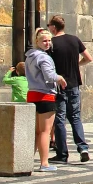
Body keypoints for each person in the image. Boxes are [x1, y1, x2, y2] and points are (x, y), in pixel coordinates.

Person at [48, 15, 92, 164]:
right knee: (75, 117)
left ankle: (62, 154)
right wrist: (77, 64)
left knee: (60, 119)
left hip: (59, 85)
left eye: (49, 25)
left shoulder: (52, 43)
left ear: (54, 27)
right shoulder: (74, 39)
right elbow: (88, 58)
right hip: (74, 84)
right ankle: (83, 148)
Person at [27, 29, 66, 172]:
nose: (47, 43)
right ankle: (44, 163)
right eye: (44, 41)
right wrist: (59, 78)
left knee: (36, 131)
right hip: (45, 95)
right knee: (45, 131)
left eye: (49, 40)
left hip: (32, 94)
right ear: (37, 41)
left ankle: (26, 160)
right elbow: (49, 76)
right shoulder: (44, 57)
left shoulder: (29, 56)